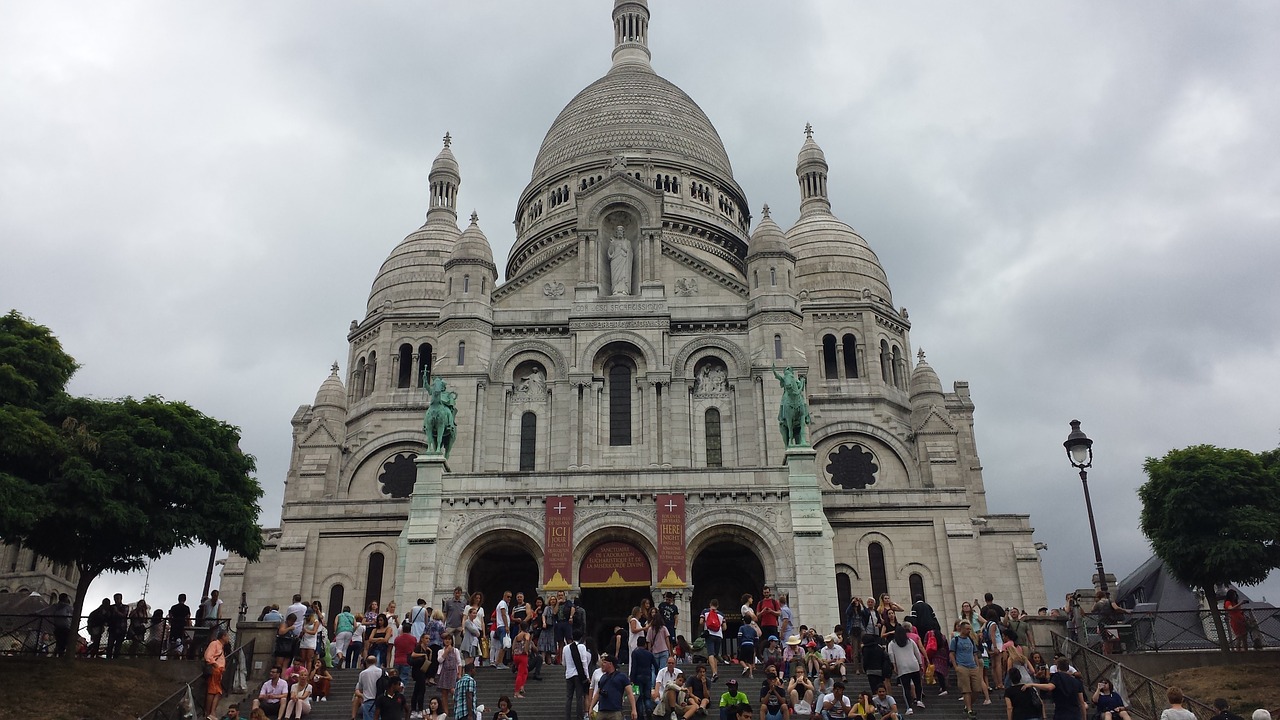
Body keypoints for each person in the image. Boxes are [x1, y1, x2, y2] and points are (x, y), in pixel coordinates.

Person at [949, 621, 985, 718]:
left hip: (973, 666)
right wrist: (956, 666)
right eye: (967, 629)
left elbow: (974, 653)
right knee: (966, 690)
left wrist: (977, 665)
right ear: (961, 628)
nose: (969, 631)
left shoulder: (971, 640)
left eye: (970, 629)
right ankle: (969, 710)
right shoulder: (955, 640)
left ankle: (968, 706)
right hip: (962, 666)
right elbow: (951, 653)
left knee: (977, 689)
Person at [886, 626, 924, 713]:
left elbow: (890, 654)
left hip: (902, 668)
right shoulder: (910, 641)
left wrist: (894, 665)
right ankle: (919, 700)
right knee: (918, 684)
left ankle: (909, 707)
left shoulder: (892, 643)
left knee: (906, 688)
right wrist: (920, 663)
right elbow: (917, 652)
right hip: (914, 665)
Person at [593, 652, 638, 720]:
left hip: (615, 711)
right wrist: (591, 707)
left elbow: (629, 693)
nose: (602, 664)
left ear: (610, 664)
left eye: (605, 662)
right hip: (602, 710)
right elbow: (597, 693)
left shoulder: (622, 677)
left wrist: (634, 709)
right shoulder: (603, 677)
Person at [563, 632, 592, 720]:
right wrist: (587, 676)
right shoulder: (581, 647)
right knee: (579, 697)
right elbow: (584, 662)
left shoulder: (565, 648)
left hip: (569, 674)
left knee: (569, 697)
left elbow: (563, 662)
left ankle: (567, 716)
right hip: (578, 675)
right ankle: (579, 716)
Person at [204, 627, 230, 720]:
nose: (228, 638)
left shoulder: (221, 646)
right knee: (214, 691)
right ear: (223, 636)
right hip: (215, 670)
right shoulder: (214, 643)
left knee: (217, 691)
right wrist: (215, 665)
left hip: (219, 671)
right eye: (227, 636)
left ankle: (212, 712)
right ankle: (210, 712)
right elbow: (208, 656)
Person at [436, 632, 463, 712]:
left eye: (449, 639)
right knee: (444, 693)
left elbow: (459, 662)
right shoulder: (441, 651)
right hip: (444, 673)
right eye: (446, 639)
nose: (447, 641)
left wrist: (460, 674)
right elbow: (440, 660)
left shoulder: (455, 650)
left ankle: (457, 709)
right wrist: (446, 652)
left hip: (453, 672)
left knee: (453, 691)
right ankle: (446, 712)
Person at [702, 600, 725, 682]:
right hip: (719, 635)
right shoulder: (721, 614)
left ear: (710, 604)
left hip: (709, 634)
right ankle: (715, 673)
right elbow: (725, 627)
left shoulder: (705, 611)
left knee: (711, 654)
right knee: (715, 654)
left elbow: (701, 622)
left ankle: (714, 673)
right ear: (717, 605)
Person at [358, 655, 386, 720]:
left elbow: (360, 688)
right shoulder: (383, 672)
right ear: (376, 662)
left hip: (368, 701)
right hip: (381, 701)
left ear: (366, 662)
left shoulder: (363, 673)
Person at [512, 620, 532, 698]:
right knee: (520, 673)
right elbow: (526, 644)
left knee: (525, 671)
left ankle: (521, 686)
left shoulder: (517, 636)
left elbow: (513, 646)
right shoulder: (526, 634)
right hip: (522, 656)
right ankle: (516, 692)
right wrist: (526, 651)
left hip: (516, 655)